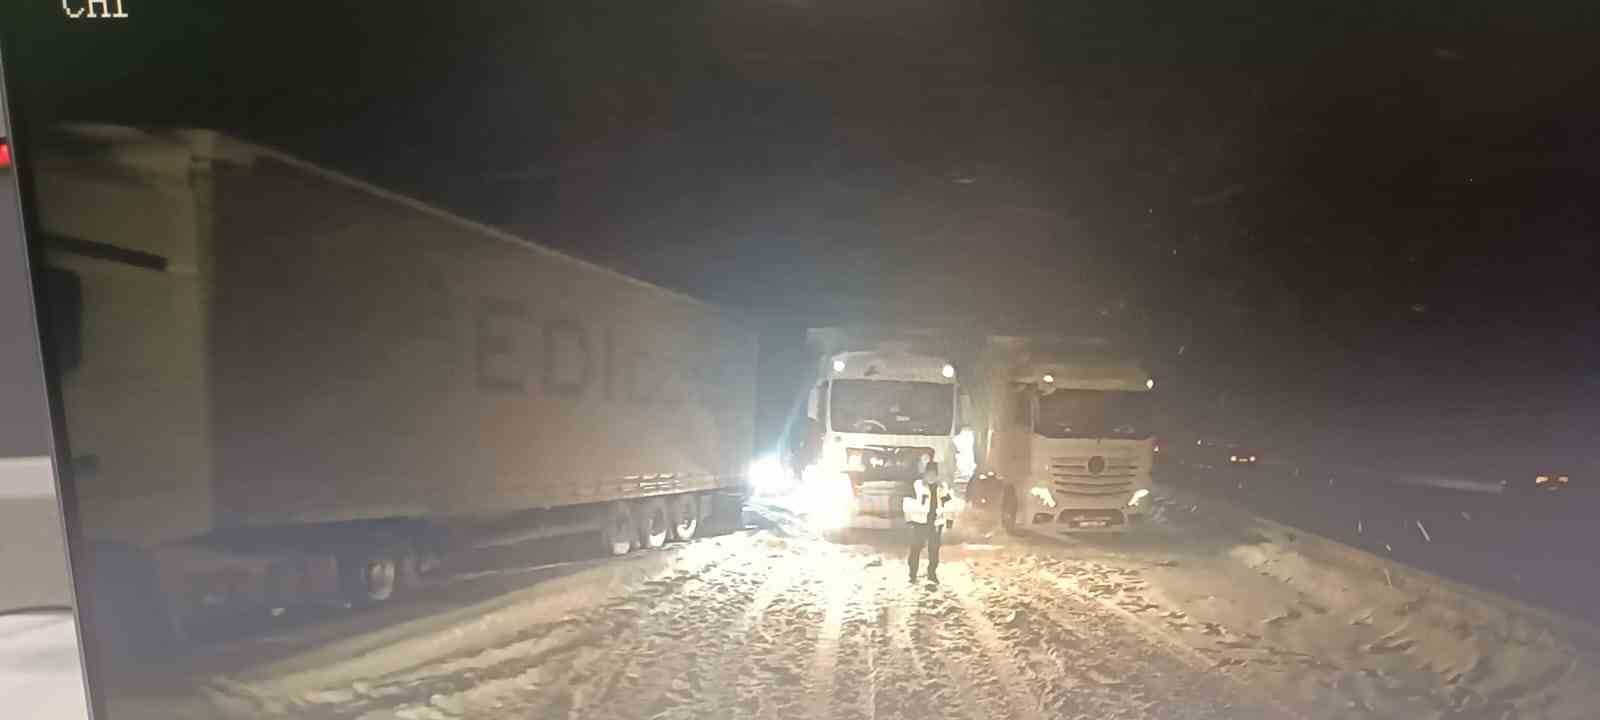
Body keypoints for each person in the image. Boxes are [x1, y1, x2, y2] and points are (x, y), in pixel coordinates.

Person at [904, 460, 954, 584]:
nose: (931, 476)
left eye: (934, 474)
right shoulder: (917, 486)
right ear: (925, 474)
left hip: (936, 524)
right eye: (929, 473)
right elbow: (907, 503)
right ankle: (912, 574)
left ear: (937, 475)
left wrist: (949, 519)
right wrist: (909, 519)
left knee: (934, 550)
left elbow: (949, 505)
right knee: (915, 549)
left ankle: (932, 574)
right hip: (919, 523)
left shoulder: (942, 488)